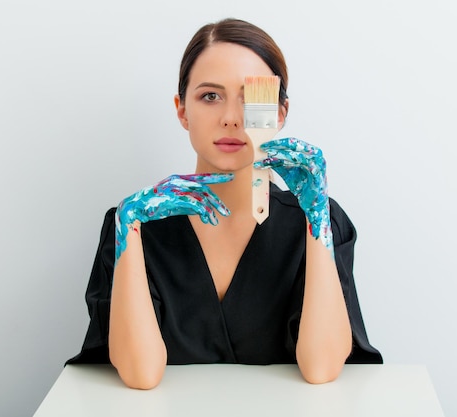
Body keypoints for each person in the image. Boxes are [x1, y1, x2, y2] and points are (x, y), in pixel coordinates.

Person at [67, 17, 382, 389]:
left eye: (252, 100)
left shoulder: (321, 221)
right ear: (182, 109)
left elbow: (322, 368)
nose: (231, 119)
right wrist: (130, 224)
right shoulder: (132, 223)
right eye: (210, 96)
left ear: (279, 114)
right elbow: (140, 374)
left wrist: (316, 217)